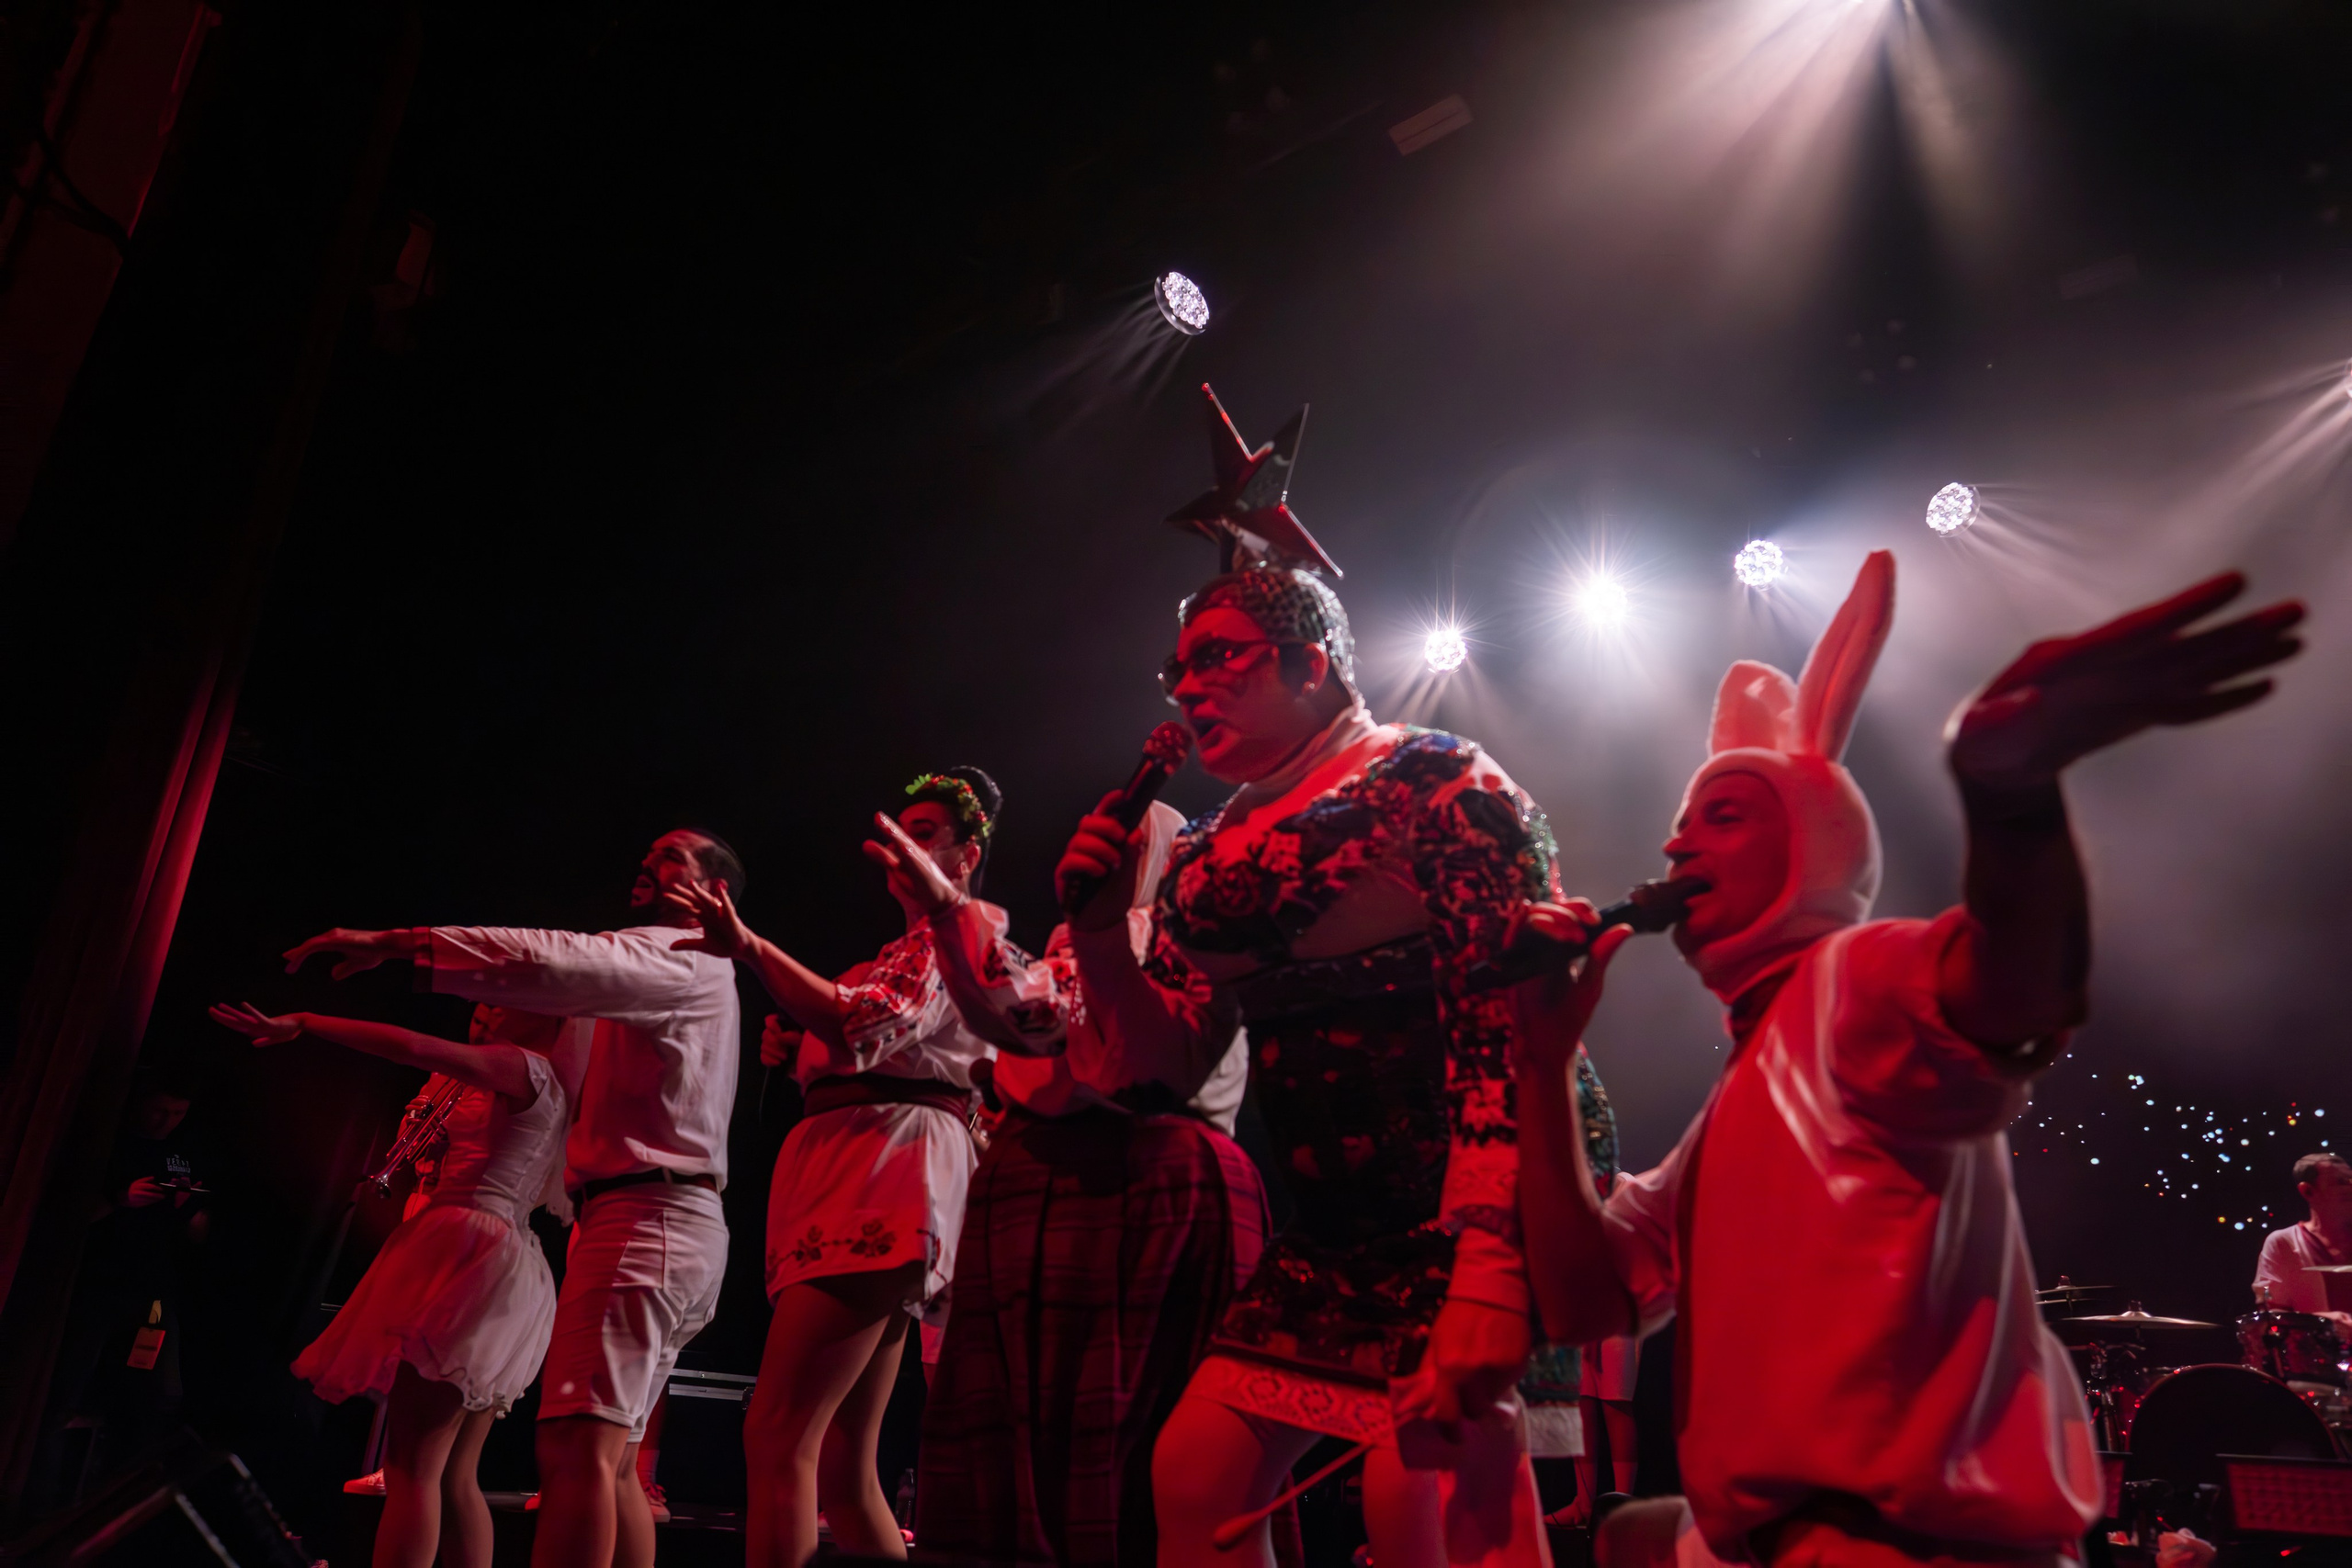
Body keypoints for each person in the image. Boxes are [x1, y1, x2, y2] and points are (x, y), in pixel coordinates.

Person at [1507, 554, 2303, 1568]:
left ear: (1814, 842)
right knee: (1631, 1540)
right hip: (1779, 1541)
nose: (1674, 849)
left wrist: (2008, 796)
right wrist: (1539, 1067)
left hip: (1898, 1546)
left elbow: (2018, 995)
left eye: (1724, 814)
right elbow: (1583, 1304)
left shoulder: (1854, 978)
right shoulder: (1738, 1099)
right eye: (1677, 826)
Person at [1058, 538, 1611, 1568]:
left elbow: (1508, 1028)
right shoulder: (1205, 853)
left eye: (1220, 657)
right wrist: (1098, 937)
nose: (1187, 687)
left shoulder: (1434, 779)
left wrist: (1492, 1266)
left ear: (1312, 662)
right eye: (1176, 669)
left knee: (1428, 1510)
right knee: (1195, 1479)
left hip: (1480, 1200)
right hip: (1337, 1235)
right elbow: (1161, 1070)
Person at [284, 828, 747, 1568]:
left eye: (674, 857)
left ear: (714, 895)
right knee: (614, 1461)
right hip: (674, 1221)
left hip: (640, 1221)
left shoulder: (676, 955)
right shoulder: (694, 977)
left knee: (577, 1452)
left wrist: (396, 943)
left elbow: (542, 955)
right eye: (649, 852)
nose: (649, 862)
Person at [910, 796, 1268, 1568]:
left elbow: (1088, 1047)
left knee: (1144, 1436)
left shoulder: (1180, 934)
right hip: (1052, 1176)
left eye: (1129, 841)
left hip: (1144, 1177)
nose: (1104, 848)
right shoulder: (1077, 941)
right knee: (1029, 1435)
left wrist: (953, 912)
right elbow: (1025, 1027)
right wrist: (948, 916)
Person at [663, 770, 1006, 1568]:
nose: (902, 847)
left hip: (884, 1169)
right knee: (847, 1462)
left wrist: (749, 946)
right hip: (856, 1159)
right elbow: (851, 1032)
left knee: (779, 1430)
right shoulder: (898, 950)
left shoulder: (961, 933)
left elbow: (863, 1021)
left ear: (967, 853)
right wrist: (800, 1054)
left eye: (925, 833)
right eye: (902, 830)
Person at [209, 1001, 587, 1568]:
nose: (488, 1007)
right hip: (508, 1259)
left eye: (504, 998)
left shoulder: (520, 1066)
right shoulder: (547, 1080)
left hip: (471, 1248)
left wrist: (309, 1023)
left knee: (413, 1468)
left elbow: (410, 1044)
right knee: (455, 1475)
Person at [2253, 1152, 2352, 1328]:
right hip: (2322, 1354)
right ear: (2308, 1191)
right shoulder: (2283, 1244)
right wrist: (2323, 1322)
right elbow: (2271, 1316)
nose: (2350, 1187)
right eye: (2340, 1182)